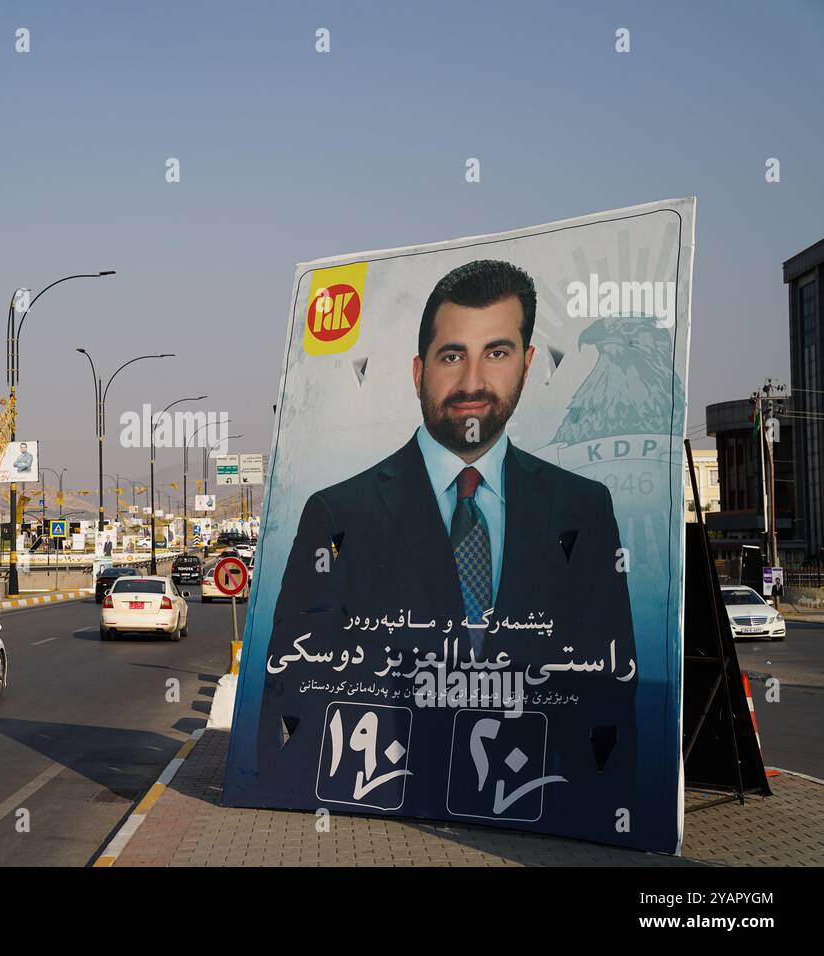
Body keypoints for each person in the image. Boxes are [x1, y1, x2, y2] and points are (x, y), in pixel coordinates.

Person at [254, 259, 637, 837]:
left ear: (528, 365)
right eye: (452, 355)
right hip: (385, 810)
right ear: (418, 371)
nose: (472, 382)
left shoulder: (583, 508)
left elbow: (608, 688)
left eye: (498, 352)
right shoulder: (339, 513)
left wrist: (609, 816)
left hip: (539, 811)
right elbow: (294, 686)